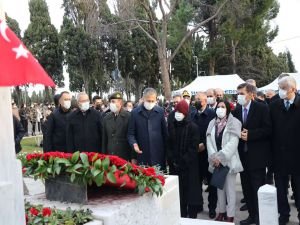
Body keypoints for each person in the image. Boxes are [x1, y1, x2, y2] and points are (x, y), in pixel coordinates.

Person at [232, 83, 272, 225]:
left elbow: (268, 130)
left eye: (241, 93)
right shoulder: (236, 110)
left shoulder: (262, 108)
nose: (239, 96)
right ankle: (251, 214)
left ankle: (260, 217)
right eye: (238, 93)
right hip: (243, 157)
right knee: (247, 188)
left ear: (250, 94)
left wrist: (251, 135)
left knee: (257, 189)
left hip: (258, 157)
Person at [269, 76, 300, 225]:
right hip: (279, 155)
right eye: (279, 87)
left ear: (293, 89)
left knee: (298, 188)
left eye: (283, 88)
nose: (280, 91)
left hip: (297, 156)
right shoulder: (274, 105)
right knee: (280, 189)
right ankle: (284, 214)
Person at [206, 100, 243, 222]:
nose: (220, 109)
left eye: (223, 107)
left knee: (230, 190)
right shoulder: (212, 123)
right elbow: (209, 141)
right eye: (219, 106)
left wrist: (220, 158)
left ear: (227, 109)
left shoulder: (234, 122)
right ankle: (221, 212)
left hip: (229, 162)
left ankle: (230, 215)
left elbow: (233, 144)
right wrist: (213, 157)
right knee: (219, 189)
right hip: (215, 161)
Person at [167, 100, 202, 218]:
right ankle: (181, 215)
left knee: (191, 193)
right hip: (175, 166)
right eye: (177, 111)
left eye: (180, 111)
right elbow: (169, 145)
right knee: (179, 194)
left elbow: (193, 148)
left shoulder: (193, 127)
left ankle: (192, 217)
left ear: (186, 113)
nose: (178, 113)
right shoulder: (172, 125)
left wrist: (182, 161)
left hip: (189, 166)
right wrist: (172, 160)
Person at [191, 92, 217, 218]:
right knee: (197, 182)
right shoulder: (192, 114)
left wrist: (205, 145)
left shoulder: (212, 114)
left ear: (205, 101)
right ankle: (198, 204)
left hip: (209, 153)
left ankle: (212, 207)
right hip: (196, 154)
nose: (196, 101)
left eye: (198, 99)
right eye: (195, 99)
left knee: (212, 183)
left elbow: (215, 133)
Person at [128, 88, 168, 169]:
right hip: (142, 154)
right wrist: (134, 144)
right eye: (148, 101)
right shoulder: (135, 113)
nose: (150, 103)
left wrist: (167, 154)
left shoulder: (160, 111)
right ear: (143, 99)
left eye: (153, 101)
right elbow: (130, 134)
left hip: (158, 155)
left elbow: (165, 134)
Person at [102, 92, 132, 161]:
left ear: (121, 103)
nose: (114, 104)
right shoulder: (106, 118)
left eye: (117, 101)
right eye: (112, 102)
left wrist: (133, 157)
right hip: (110, 155)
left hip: (124, 156)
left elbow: (131, 137)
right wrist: (103, 155)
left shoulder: (128, 117)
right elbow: (104, 139)